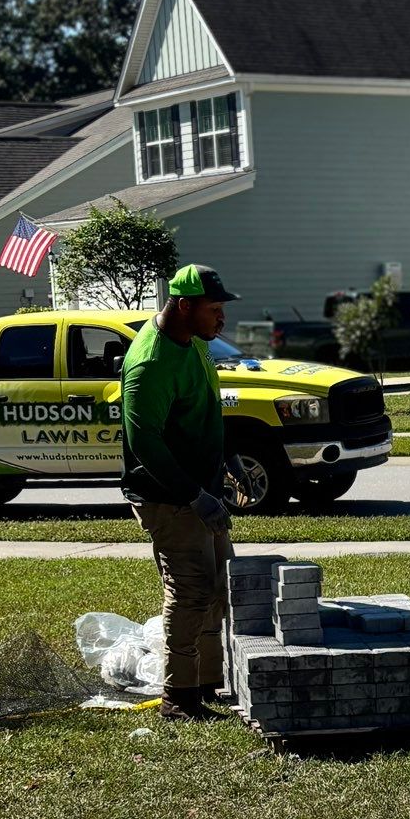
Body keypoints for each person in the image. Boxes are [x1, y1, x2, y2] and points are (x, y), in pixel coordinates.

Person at [121, 262, 238, 722]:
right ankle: (178, 698)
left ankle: (208, 683)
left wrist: (224, 464)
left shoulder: (193, 343)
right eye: (214, 309)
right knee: (190, 589)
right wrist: (194, 495)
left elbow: (203, 410)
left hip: (199, 489)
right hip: (168, 497)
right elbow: (144, 441)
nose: (221, 319)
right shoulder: (150, 362)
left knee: (219, 586)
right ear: (185, 306)